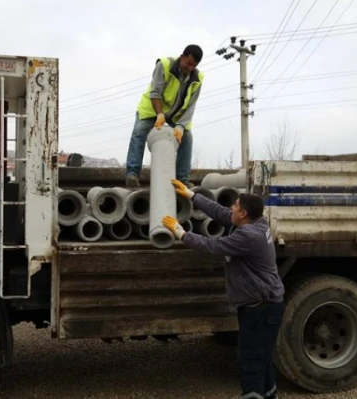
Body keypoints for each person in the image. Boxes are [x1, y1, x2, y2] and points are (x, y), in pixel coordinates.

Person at [162, 179, 285, 399]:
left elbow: (213, 246)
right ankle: (270, 395)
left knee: (251, 363)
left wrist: (181, 233)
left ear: (244, 214)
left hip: (260, 310)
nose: (232, 208)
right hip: (265, 306)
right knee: (262, 360)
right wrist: (192, 195)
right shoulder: (256, 223)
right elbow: (220, 212)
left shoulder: (248, 236)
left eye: (235, 206)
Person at [124, 44, 204, 189]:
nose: (190, 68)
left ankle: (182, 179)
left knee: (187, 137)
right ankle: (132, 174)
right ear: (182, 57)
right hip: (154, 107)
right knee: (139, 132)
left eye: (194, 65)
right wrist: (160, 114)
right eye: (188, 63)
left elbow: (191, 105)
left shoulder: (197, 79)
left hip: (176, 114)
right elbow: (155, 93)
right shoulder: (164, 65)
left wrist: (180, 126)